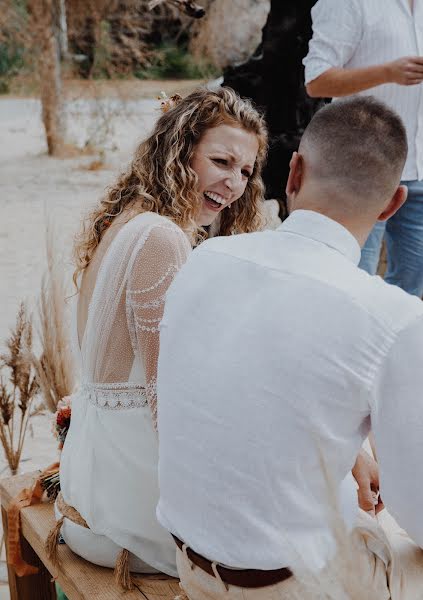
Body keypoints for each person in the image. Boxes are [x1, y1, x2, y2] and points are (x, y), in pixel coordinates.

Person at [157, 96, 423, 599]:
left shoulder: (205, 258)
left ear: (293, 172)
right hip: (291, 586)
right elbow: (417, 510)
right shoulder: (393, 318)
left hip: (190, 564)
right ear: (392, 205)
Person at [52, 87, 268, 587]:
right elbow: (166, 400)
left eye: (246, 171)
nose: (234, 184)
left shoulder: (128, 219)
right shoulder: (162, 237)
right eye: (221, 161)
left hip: (96, 486)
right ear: (181, 148)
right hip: (125, 518)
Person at [303, 0, 423, 296]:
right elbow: (316, 81)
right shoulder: (347, 3)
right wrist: (386, 73)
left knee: (412, 289)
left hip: (419, 170)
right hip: (360, 171)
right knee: (350, 283)